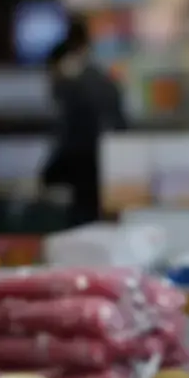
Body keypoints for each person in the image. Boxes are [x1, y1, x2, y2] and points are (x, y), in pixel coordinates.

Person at [41, 18, 127, 226]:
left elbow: (69, 136)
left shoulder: (71, 86)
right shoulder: (106, 81)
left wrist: (49, 174)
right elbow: (122, 126)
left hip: (83, 176)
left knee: (81, 228)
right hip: (109, 171)